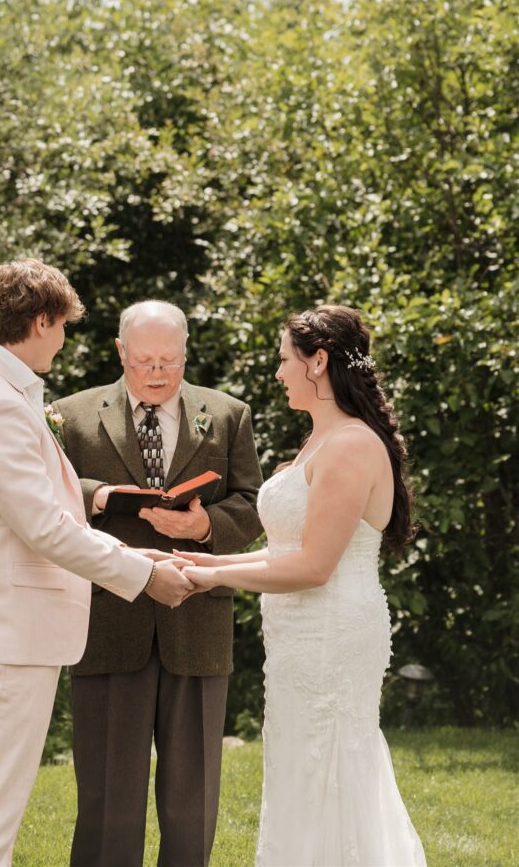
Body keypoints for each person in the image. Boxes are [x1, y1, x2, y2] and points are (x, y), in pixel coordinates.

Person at [0, 261, 192, 867]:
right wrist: (143, 575)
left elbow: (49, 511)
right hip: (9, 630)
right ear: (40, 319)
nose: (64, 339)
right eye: (63, 327)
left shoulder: (4, 391)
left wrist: (136, 551)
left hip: (16, 630)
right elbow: (45, 528)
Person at [180, 305, 427, 867]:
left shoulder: (351, 446)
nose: (277, 372)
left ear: (317, 362)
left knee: (328, 764)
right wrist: (203, 566)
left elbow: (314, 566)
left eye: (284, 359)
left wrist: (207, 579)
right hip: (299, 638)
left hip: (332, 635)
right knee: (298, 763)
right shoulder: (320, 443)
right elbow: (288, 550)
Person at [52, 299, 263, 867]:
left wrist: (205, 524)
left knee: (191, 795)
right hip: (107, 618)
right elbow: (48, 498)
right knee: (105, 794)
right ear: (120, 351)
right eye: (144, 360)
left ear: (186, 353)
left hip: (197, 620)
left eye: (169, 361)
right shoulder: (67, 416)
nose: (156, 373)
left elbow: (254, 505)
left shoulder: (227, 415)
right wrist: (103, 494)